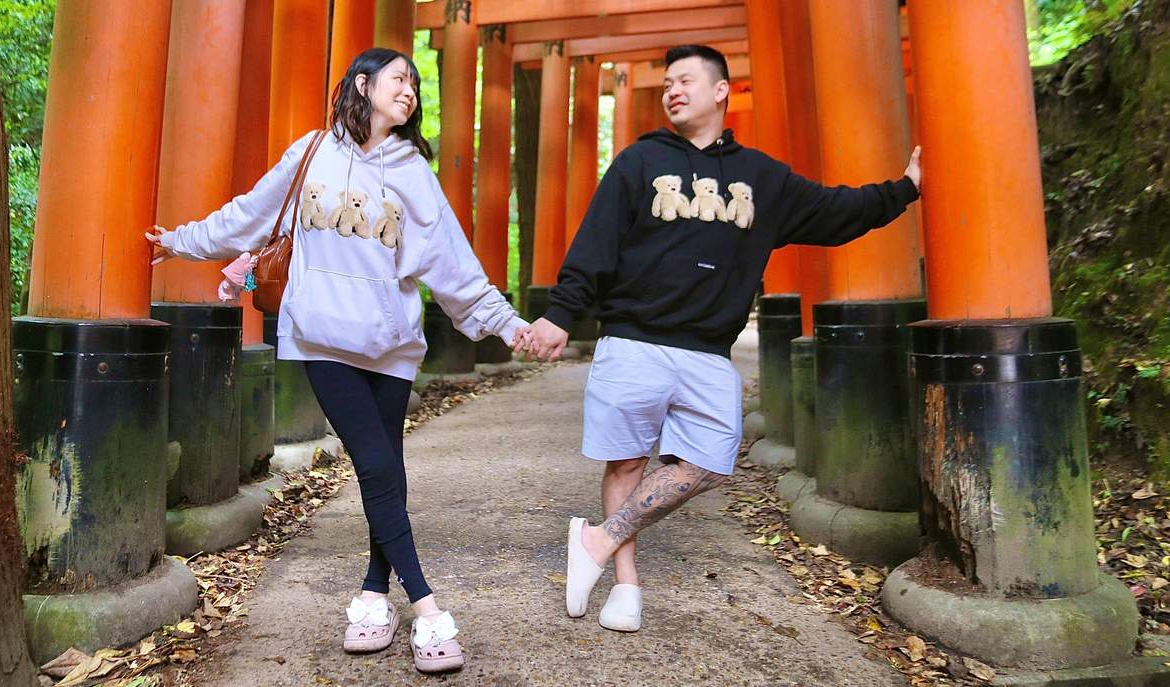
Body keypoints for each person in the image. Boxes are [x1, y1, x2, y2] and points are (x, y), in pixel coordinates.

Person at [147, 48, 529, 674]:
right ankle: (427, 607)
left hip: (391, 345)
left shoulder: (412, 172)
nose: (409, 91)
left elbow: (453, 266)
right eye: (399, 79)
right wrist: (180, 242)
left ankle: (374, 597)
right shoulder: (312, 153)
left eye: (414, 85)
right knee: (375, 465)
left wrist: (505, 323)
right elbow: (250, 214)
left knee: (388, 471)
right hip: (322, 339)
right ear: (362, 84)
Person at [520, 44, 921, 632]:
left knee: (709, 461)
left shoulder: (761, 177)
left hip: (708, 349)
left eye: (685, 80)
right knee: (628, 461)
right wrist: (561, 312)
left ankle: (597, 541)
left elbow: (836, 211)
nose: (672, 91)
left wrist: (905, 188)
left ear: (720, 90)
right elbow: (596, 242)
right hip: (634, 338)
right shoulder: (638, 162)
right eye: (666, 85)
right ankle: (626, 587)